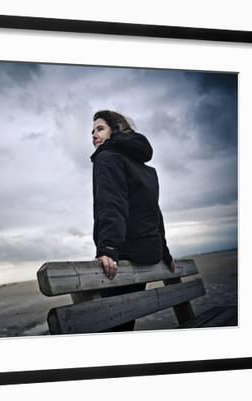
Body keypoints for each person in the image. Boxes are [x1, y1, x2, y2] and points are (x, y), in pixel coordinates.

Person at [90, 110, 175, 331]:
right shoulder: (143, 168)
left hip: (125, 254)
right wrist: (164, 252)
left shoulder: (107, 158)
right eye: (92, 131)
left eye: (100, 128)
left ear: (116, 130)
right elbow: (153, 213)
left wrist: (108, 247)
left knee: (112, 328)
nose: (93, 135)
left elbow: (111, 204)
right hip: (147, 252)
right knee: (125, 323)